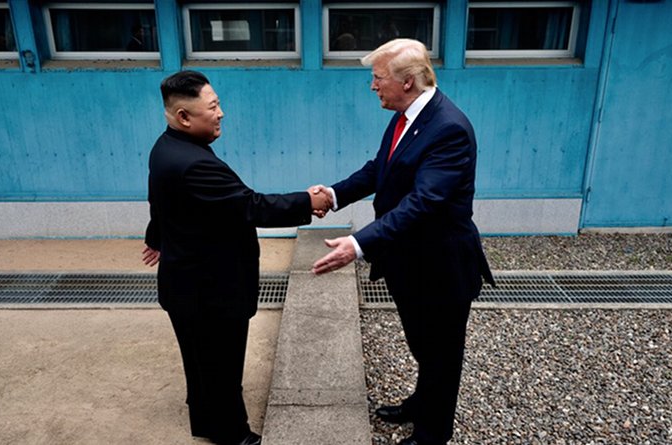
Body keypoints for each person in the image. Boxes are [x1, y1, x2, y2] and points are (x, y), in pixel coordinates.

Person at [311, 39, 495, 445]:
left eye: (377, 78)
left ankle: (432, 433)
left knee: (442, 354)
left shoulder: (448, 128)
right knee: (422, 344)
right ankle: (420, 403)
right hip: (409, 261)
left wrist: (358, 244)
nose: (372, 87)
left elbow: (423, 203)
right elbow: (382, 168)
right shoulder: (406, 115)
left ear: (407, 82)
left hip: (441, 265)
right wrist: (334, 196)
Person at [142, 70, 332, 445]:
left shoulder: (165, 148)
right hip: (210, 289)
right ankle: (233, 435)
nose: (221, 113)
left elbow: (162, 203)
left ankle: (206, 421)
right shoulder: (195, 163)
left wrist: (157, 238)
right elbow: (251, 206)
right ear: (184, 117)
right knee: (221, 364)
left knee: (200, 363)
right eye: (213, 107)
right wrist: (309, 202)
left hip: (186, 284)